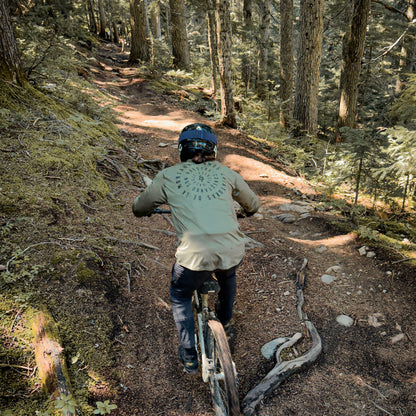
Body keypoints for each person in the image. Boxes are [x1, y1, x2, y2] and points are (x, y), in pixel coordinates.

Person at [132, 123, 260, 374]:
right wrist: (243, 211)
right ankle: (224, 320)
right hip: (231, 250)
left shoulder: (168, 176)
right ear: (214, 149)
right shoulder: (228, 174)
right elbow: (253, 205)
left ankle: (190, 354)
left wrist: (146, 210)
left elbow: (139, 207)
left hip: (193, 257)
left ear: (182, 149)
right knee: (228, 275)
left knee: (180, 294)